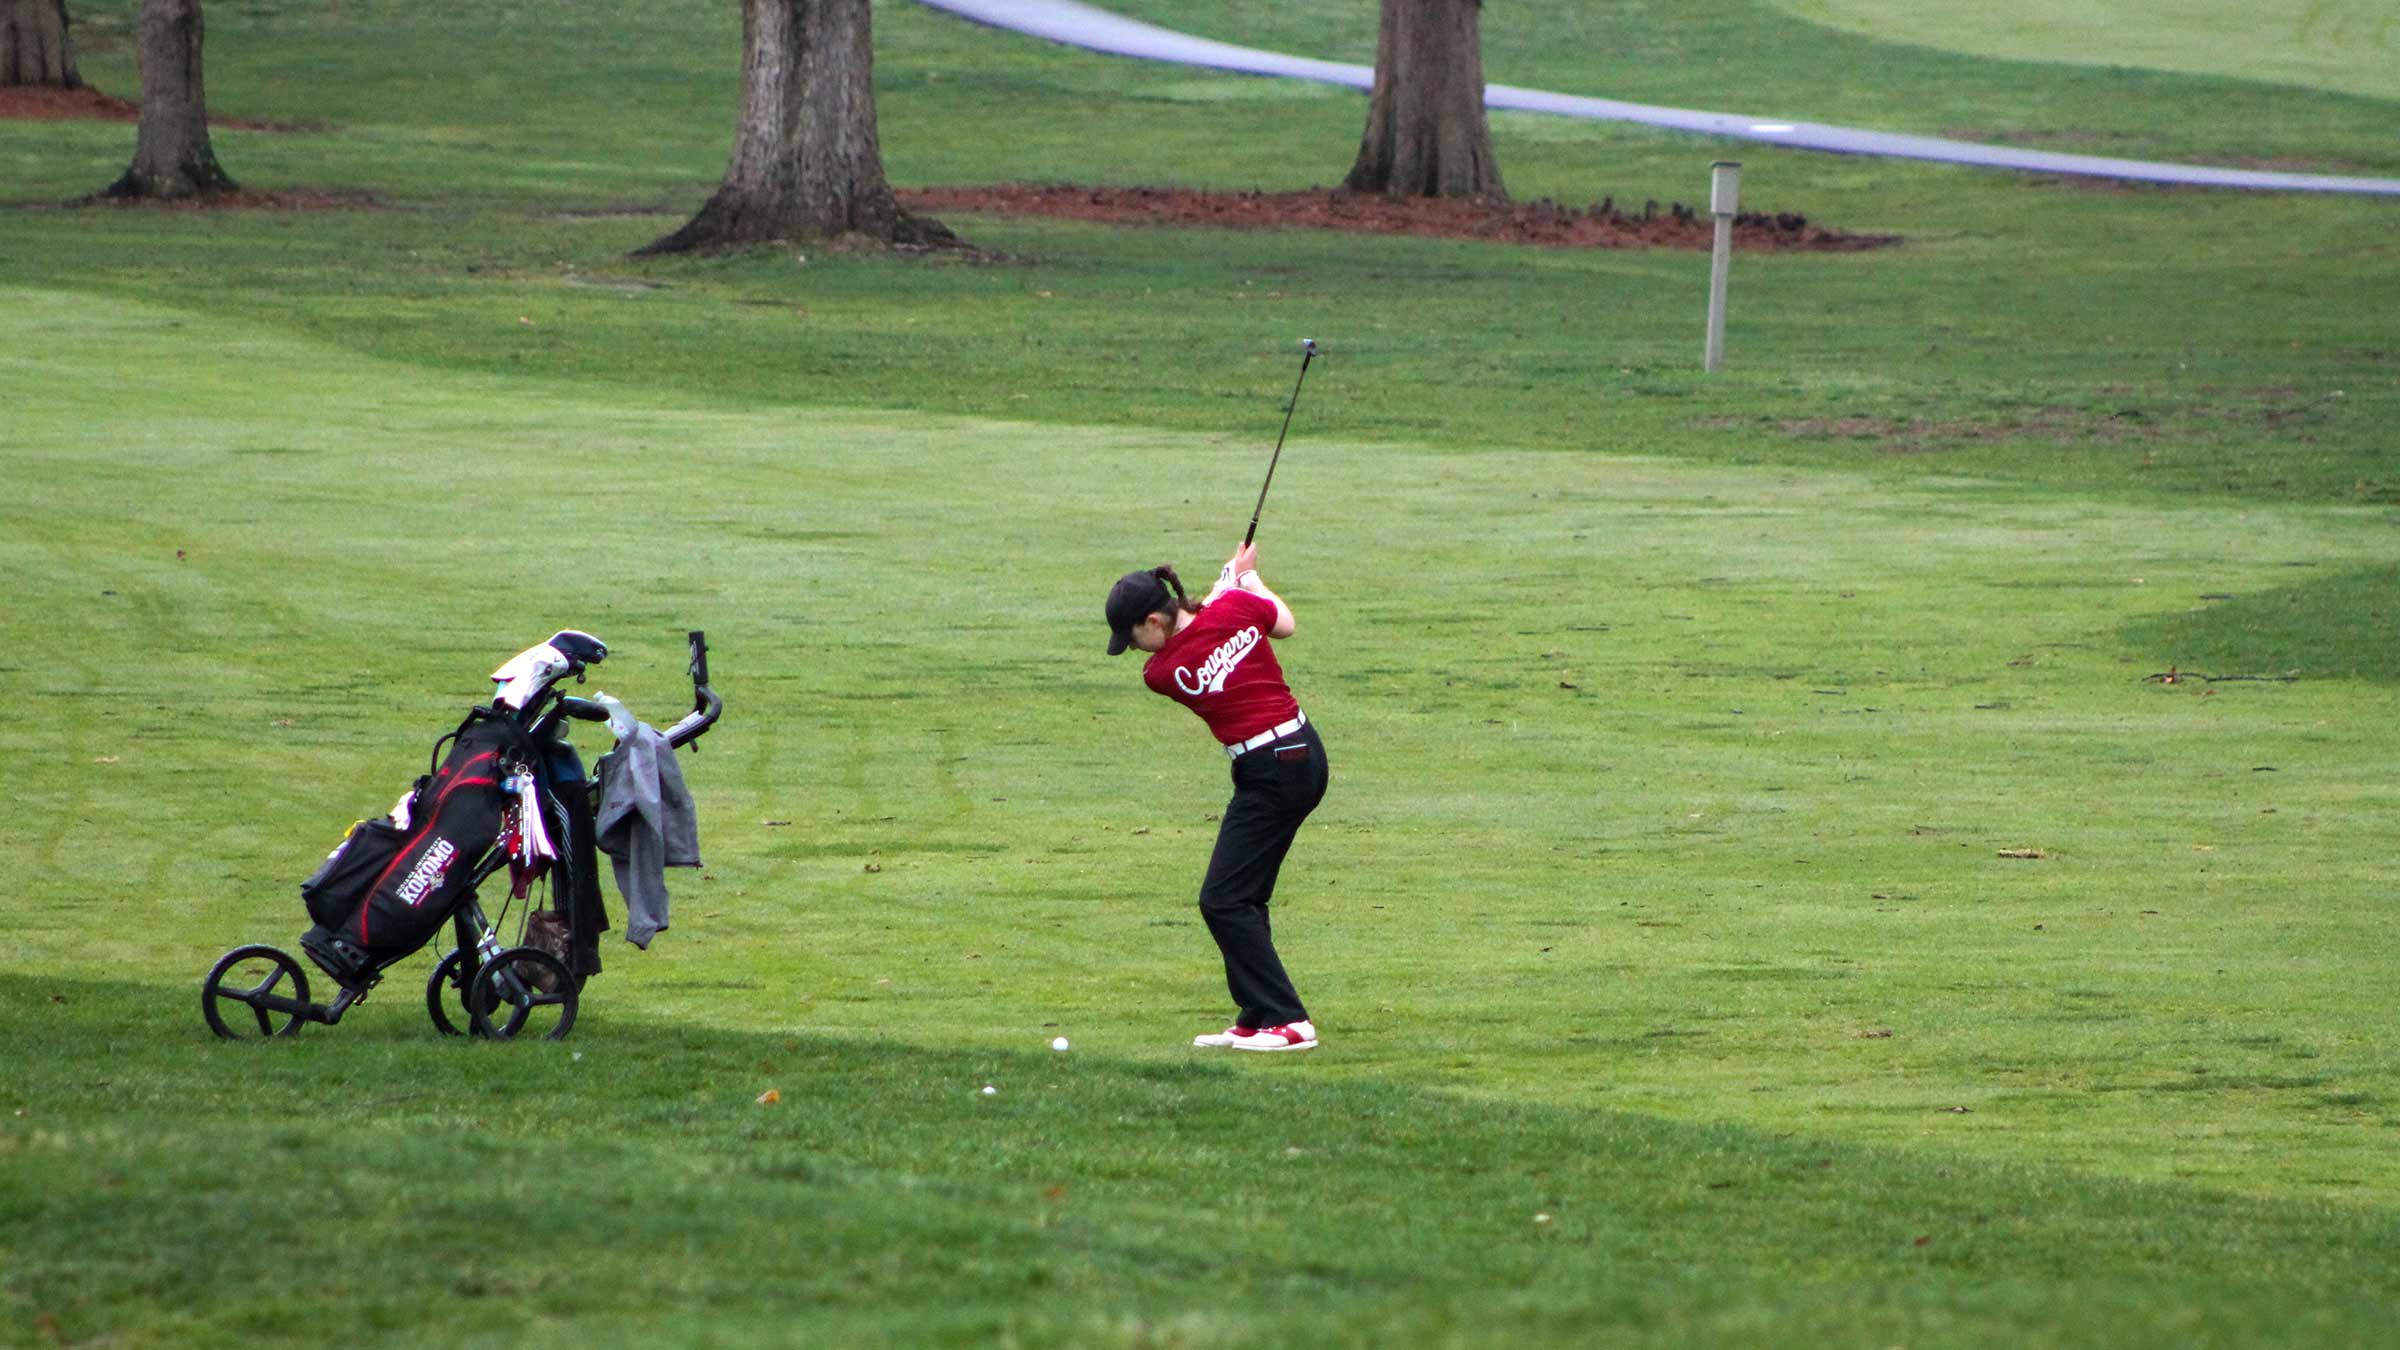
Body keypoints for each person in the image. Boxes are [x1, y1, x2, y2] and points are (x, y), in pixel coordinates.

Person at [1103, 541, 1329, 1052]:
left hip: (1275, 771)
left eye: (1131, 636)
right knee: (1242, 897)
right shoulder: (1233, 610)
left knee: (1222, 900)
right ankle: (1257, 1012)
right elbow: (1282, 623)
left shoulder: (1163, 673)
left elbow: (1205, 623)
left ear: (1154, 623)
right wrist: (1246, 582)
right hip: (1296, 757)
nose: (1132, 649)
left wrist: (1228, 583)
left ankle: (1289, 1021)